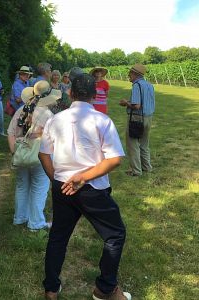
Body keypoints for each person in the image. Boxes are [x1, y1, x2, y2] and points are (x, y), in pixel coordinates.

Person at [39, 74, 131, 300]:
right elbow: (114, 159)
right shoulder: (101, 120)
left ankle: (51, 288)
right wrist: (82, 178)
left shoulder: (55, 119)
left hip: (63, 186)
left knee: (58, 236)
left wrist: (57, 179)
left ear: (70, 93)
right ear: (94, 95)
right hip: (92, 189)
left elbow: (44, 154)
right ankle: (105, 289)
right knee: (115, 234)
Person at [7, 80, 61, 231]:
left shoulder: (21, 110)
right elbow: (55, 138)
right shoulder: (48, 115)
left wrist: (14, 152)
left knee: (22, 185)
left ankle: (20, 217)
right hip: (40, 155)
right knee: (39, 187)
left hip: (22, 153)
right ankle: (36, 222)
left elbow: (10, 133)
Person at [119, 63, 155, 177]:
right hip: (149, 117)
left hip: (136, 118)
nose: (128, 75)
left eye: (130, 73)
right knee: (144, 144)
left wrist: (125, 103)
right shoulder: (149, 85)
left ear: (135, 74)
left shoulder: (136, 85)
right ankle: (147, 167)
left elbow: (137, 105)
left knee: (132, 144)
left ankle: (136, 171)